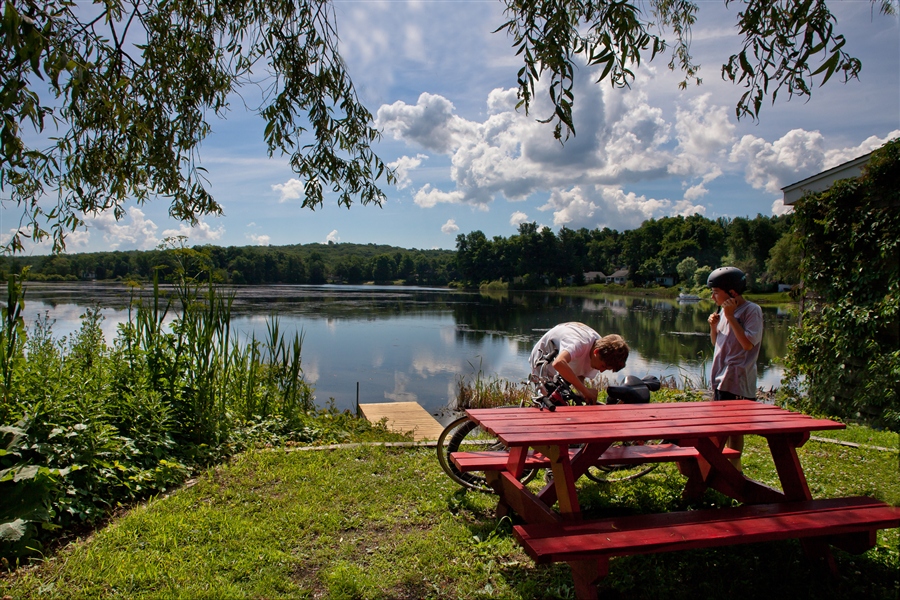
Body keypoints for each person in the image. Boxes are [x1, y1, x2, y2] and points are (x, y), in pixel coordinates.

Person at [707, 266, 763, 470]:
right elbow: (717, 344)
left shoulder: (752, 311)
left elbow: (748, 343)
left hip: (738, 378)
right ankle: (721, 464)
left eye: (715, 293)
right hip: (720, 376)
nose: (713, 297)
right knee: (720, 424)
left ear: (732, 292)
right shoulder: (724, 311)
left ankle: (734, 466)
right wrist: (714, 327)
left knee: (735, 428)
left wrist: (730, 317)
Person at [529, 322, 629, 404]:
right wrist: (586, 391)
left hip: (563, 360)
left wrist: (583, 392)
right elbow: (558, 363)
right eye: (603, 366)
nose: (602, 371)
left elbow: (580, 373)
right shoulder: (579, 343)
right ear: (596, 352)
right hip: (543, 360)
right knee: (550, 401)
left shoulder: (599, 349)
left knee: (567, 400)